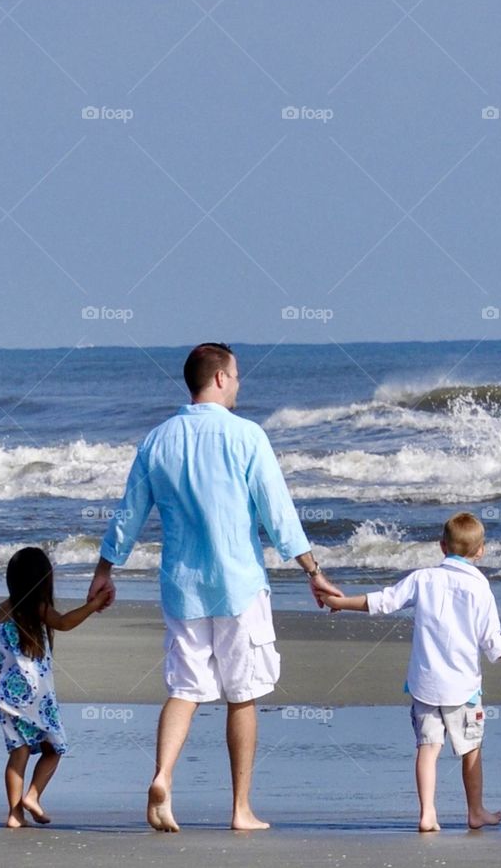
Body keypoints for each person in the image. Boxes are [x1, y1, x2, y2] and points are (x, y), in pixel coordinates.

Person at [88, 342, 339, 832]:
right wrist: (312, 570)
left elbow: (129, 514)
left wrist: (105, 569)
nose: (240, 383)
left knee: (185, 689)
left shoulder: (157, 440)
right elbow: (278, 513)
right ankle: (240, 809)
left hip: (183, 588)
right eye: (237, 375)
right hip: (239, 585)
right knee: (242, 695)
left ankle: (162, 776)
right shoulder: (247, 436)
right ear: (220, 378)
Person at [318, 511, 501, 832]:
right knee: (470, 749)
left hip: (424, 684)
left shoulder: (423, 578)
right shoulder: (480, 588)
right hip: (463, 689)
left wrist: (340, 603)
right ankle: (475, 810)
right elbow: (491, 641)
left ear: (442, 546)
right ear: (481, 551)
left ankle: (427, 814)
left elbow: (383, 601)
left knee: (427, 748)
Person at [0, 547, 110, 828]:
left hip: (5, 696)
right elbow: (65, 623)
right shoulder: (38, 608)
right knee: (54, 748)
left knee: (18, 752)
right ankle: (32, 796)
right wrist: (92, 607)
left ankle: (14, 813)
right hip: (36, 694)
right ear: (44, 581)